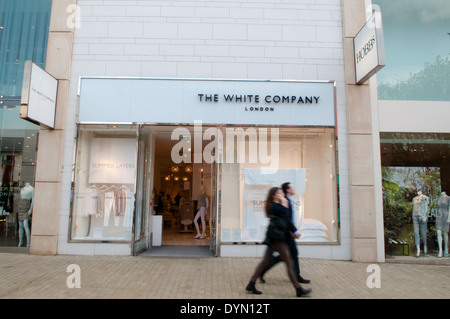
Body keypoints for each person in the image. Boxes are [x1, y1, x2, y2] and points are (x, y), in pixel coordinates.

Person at [245, 187, 311, 297]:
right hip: (277, 238)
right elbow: (285, 214)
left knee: (265, 262)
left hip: (277, 237)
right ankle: (298, 288)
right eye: (279, 193)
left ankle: (251, 284)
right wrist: (285, 202)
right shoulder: (273, 206)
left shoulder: (278, 206)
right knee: (289, 262)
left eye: (281, 192)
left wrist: (294, 230)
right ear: (273, 195)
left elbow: (287, 220)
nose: (281, 194)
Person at [258, 182, 310, 284]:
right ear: (288, 190)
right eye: (292, 187)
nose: (294, 188)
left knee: (285, 256)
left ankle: (262, 271)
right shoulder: (283, 201)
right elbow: (286, 219)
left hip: (283, 233)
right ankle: (296, 280)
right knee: (289, 255)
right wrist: (293, 230)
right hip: (283, 234)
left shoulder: (286, 200)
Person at [412, 191, 429, 257]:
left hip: (422, 216)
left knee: (423, 233)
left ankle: (425, 245)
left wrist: (425, 216)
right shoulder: (414, 198)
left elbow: (426, 207)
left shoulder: (425, 198)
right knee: (416, 232)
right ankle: (418, 248)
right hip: (415, 216)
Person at [17, 183, 34, 248]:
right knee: (20, 225)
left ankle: (28, 242)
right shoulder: (22, 189)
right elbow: (20, 198)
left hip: (27, 207)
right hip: (21, 207)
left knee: (25, 225)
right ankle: (20, 241)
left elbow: (33, 200)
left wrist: (31, 209)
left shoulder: (32, 189)